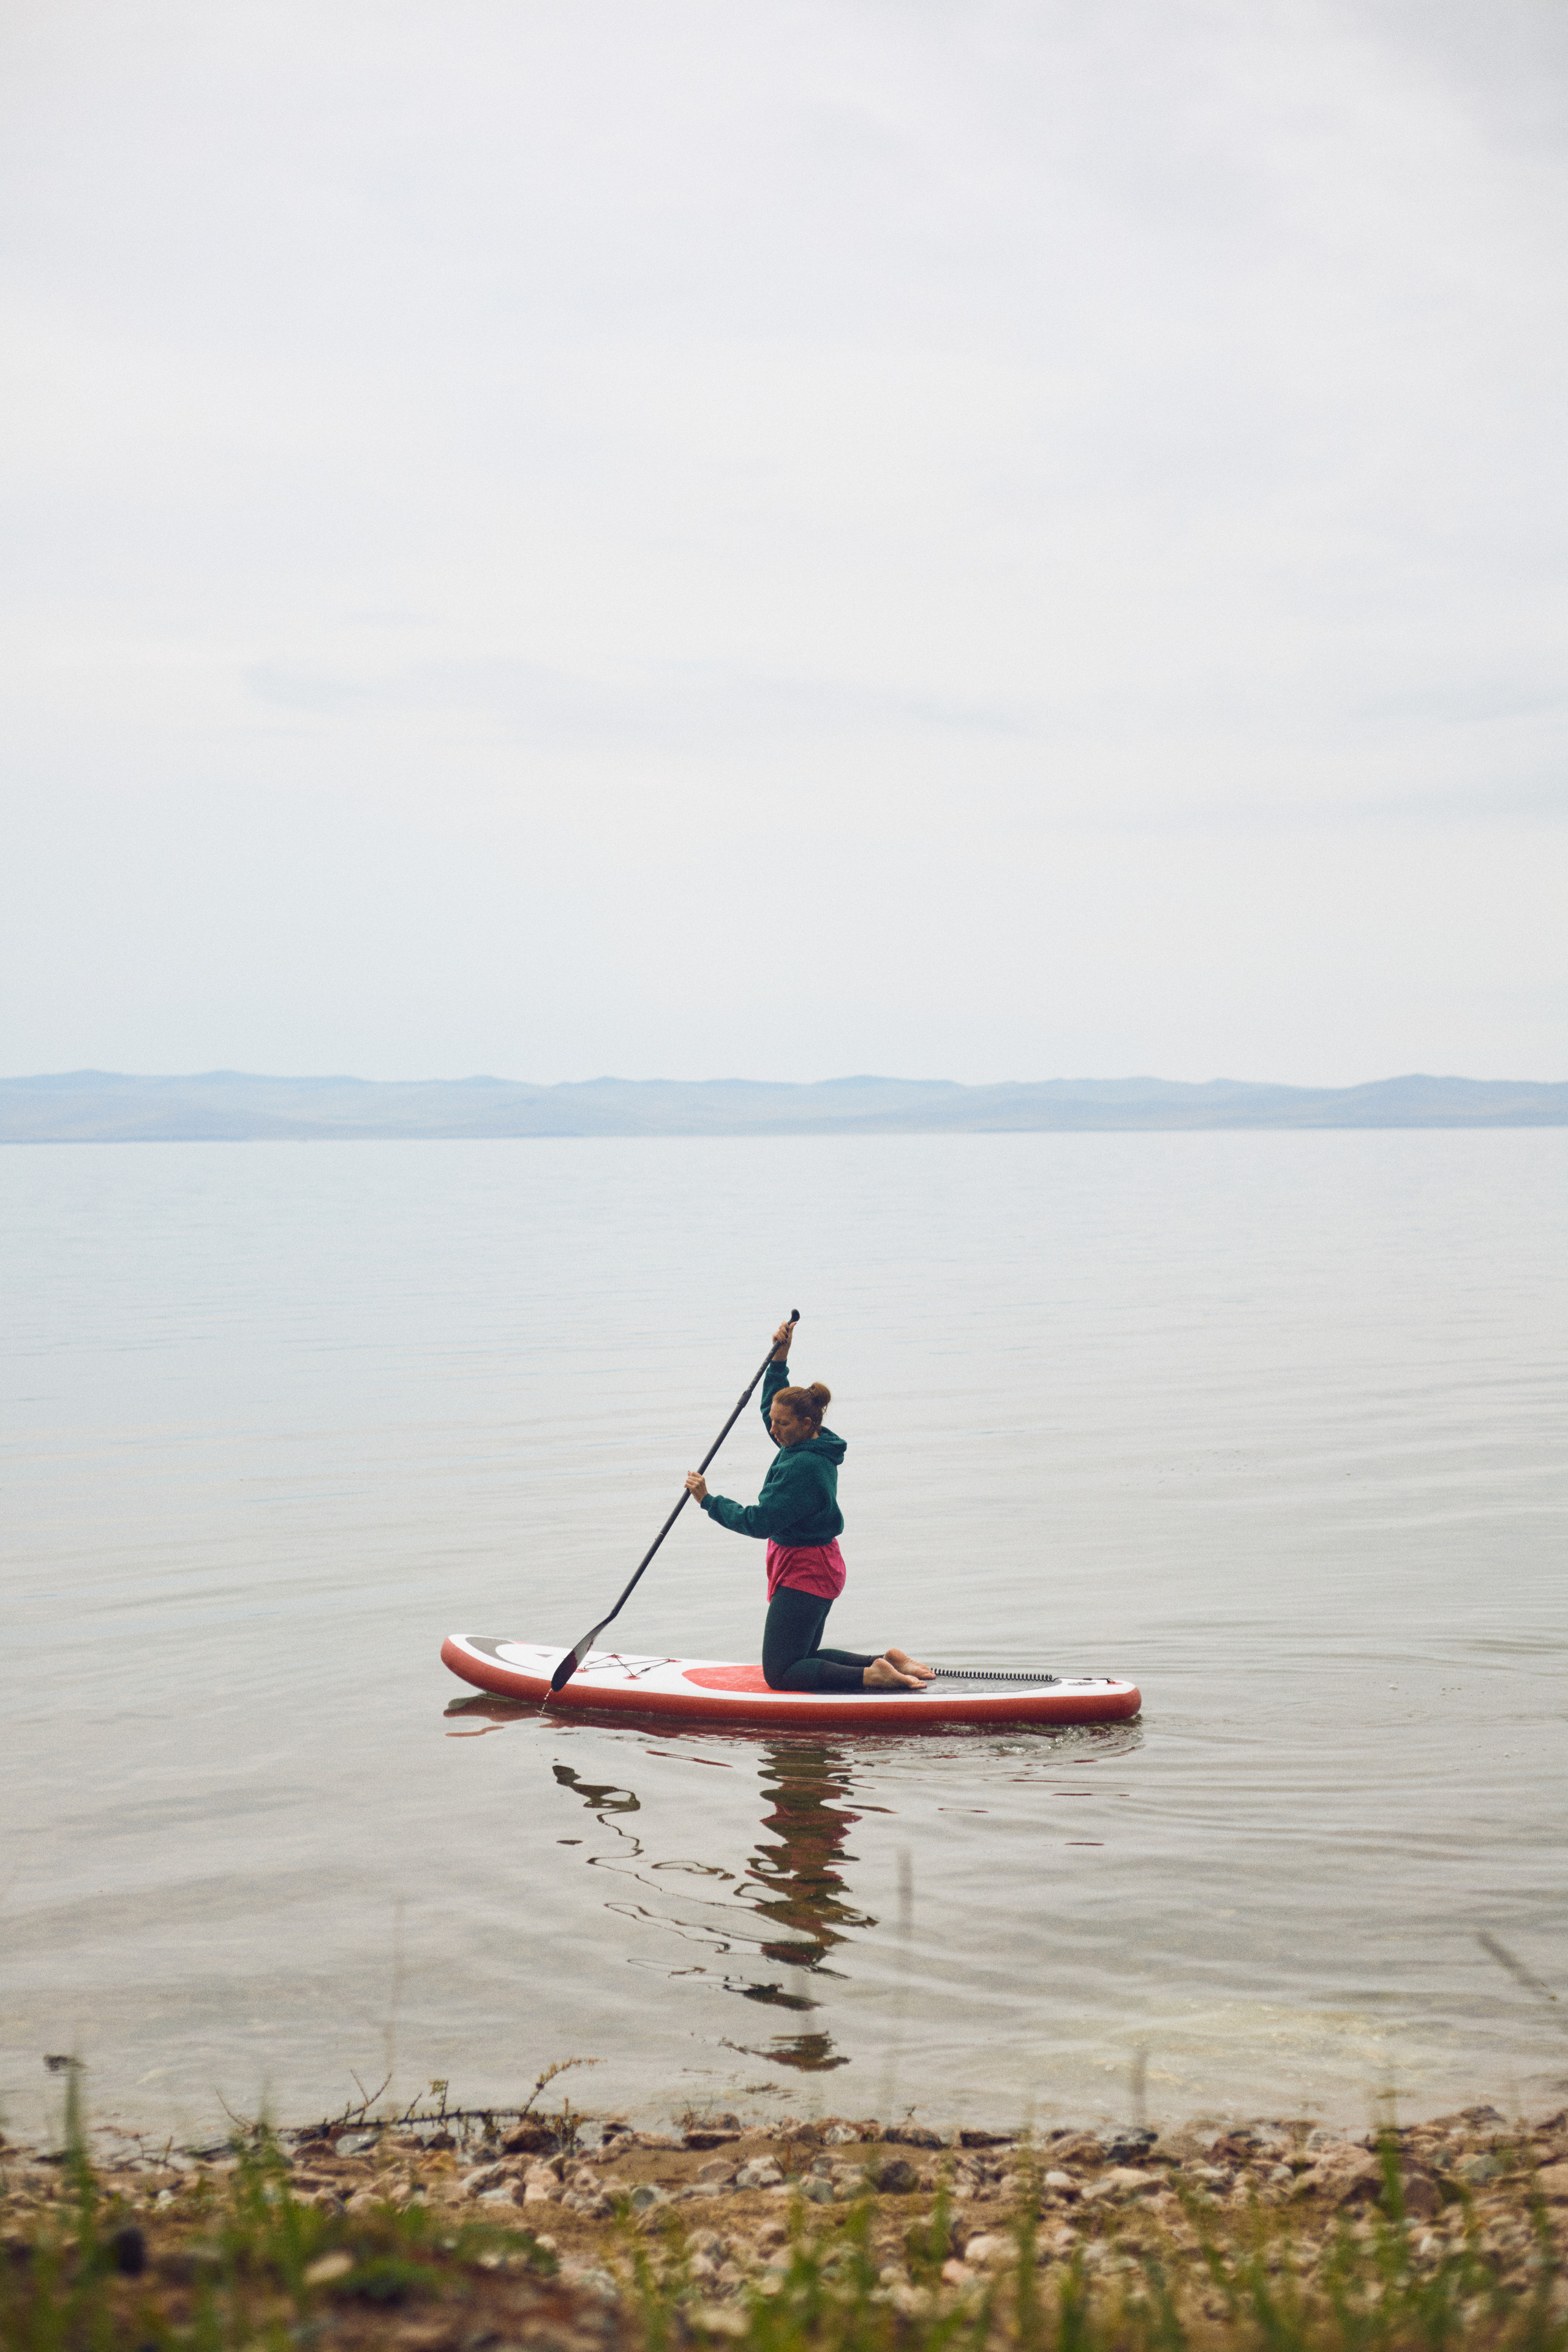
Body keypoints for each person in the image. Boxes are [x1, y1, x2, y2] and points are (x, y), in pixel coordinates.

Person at [684, 1320, 934, 1693]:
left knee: (782, 1673)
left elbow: (759, 1522)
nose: (773, 1430)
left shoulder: (802, 1466)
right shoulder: (808, 1443)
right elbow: (776, 1403)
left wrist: (709, 1501)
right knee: (803, 1653)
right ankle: (886, 1661)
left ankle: (871, 1676)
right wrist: (779, 1360)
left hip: (807, 1569)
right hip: (812, 1562)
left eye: (781, 1424)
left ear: (805, 1423)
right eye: (772, 1422)